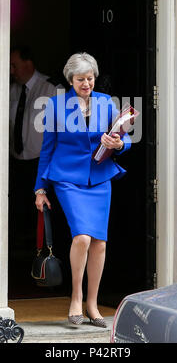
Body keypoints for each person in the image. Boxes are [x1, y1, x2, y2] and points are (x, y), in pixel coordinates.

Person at [35, 52, 131, 327]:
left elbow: (126, 140)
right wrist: (40, 189)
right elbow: (47, 148)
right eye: (81, 79)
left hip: (100, 178)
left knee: (100, 243)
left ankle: (92, 304)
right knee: (83, 237)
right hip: (67, 179)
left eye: (90, 78)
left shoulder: (106, 103)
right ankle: (76, 297)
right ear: (70, 80)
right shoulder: (54, 105)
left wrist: (119, 145)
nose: (87, 83)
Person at [9, 45, 63, 262]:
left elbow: (63, 130)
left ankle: (45, 264)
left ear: (28, 63)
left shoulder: (51, 89)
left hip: (41, 164)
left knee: (42, 217)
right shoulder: (11, 90)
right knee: (15, 213)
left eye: (14, 65)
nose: (11, 70)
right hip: (15, 163)